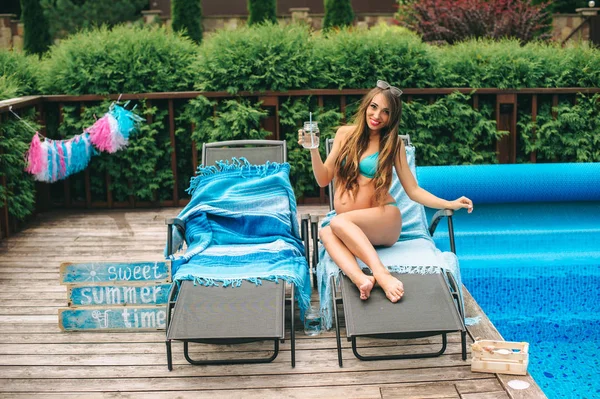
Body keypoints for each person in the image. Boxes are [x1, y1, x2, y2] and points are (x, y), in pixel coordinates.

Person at [298, 80, 473, 303]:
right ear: (366, 106)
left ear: (392, 117)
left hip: (383, 220)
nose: (377, 115)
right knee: (326, 232)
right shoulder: (344, 134)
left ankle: (380, 273)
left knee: (336, 223)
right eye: (374, 107)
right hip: (353, 225)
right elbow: (323, 179)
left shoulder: (393, 145)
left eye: (385, 112)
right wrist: (313, 149)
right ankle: (361, 279)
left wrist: (449, 203)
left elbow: (413, 190)